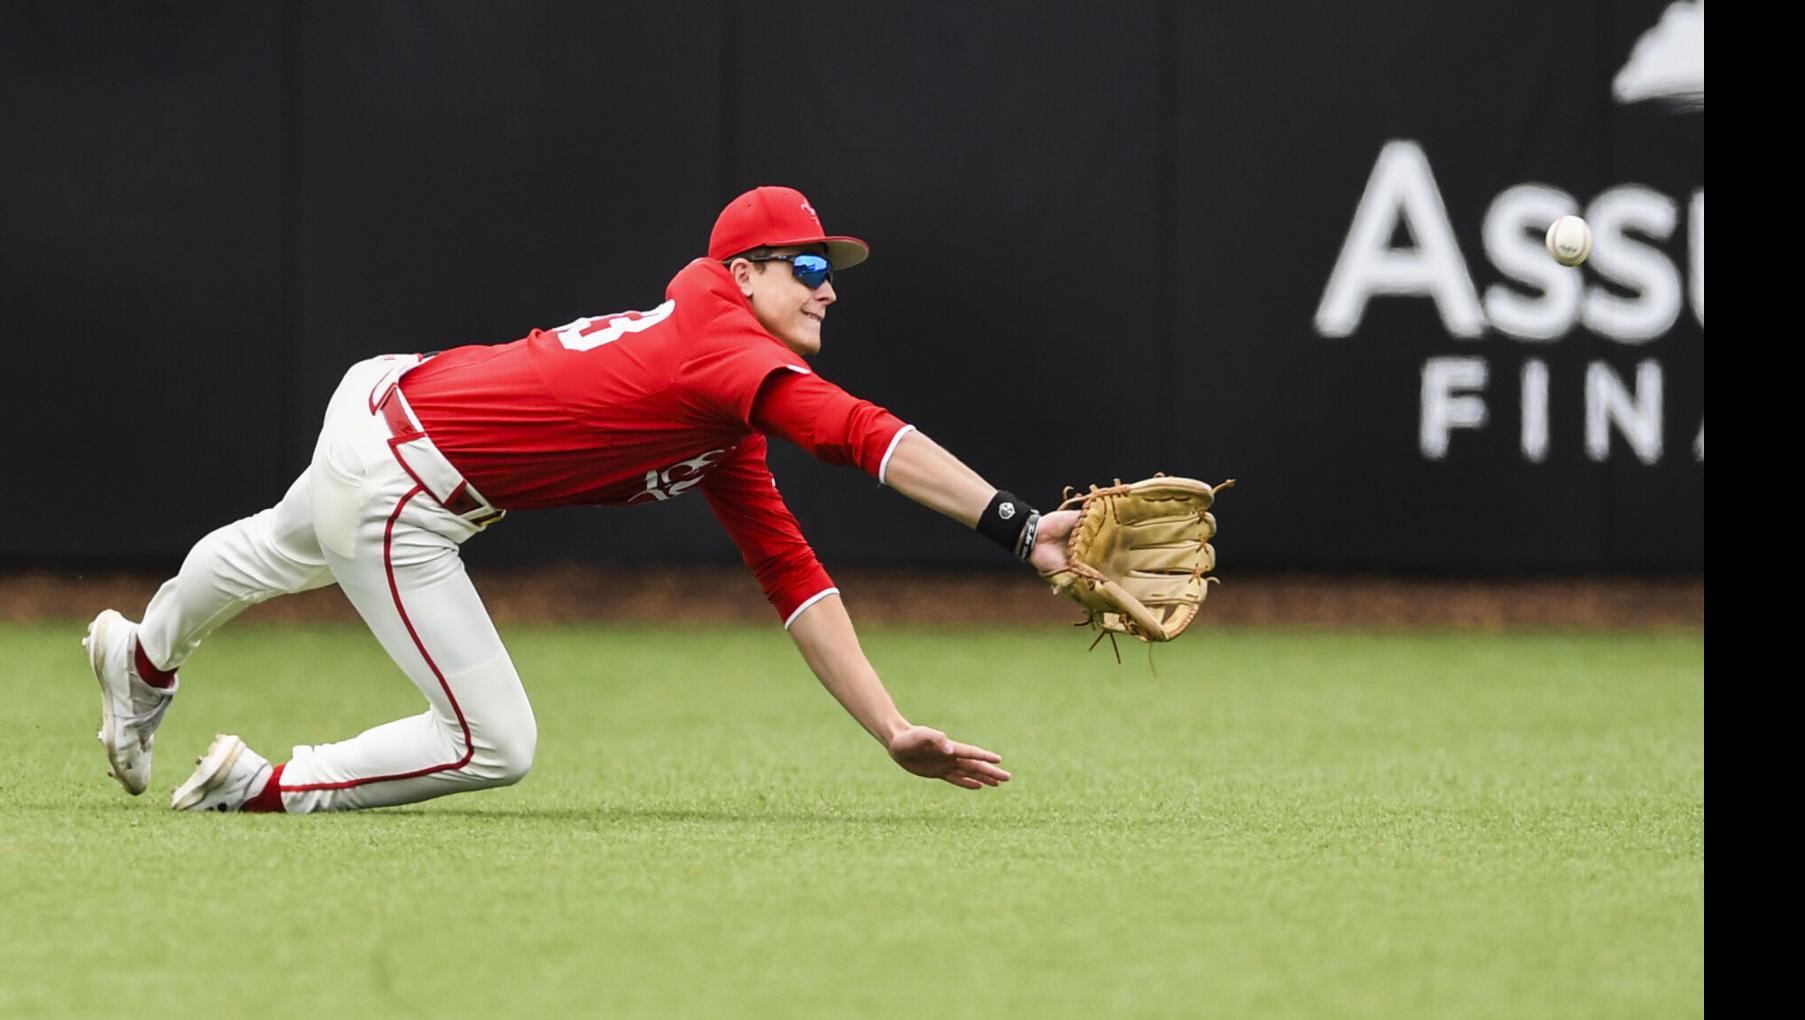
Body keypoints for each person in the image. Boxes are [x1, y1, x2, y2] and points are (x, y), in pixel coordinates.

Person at [84, 185, 1078, 814]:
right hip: (408, 487)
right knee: (493, 743)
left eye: (831, 271)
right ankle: (265, 786)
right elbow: (861, 434)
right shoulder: (720, 346)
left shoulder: (720, 393)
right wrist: (1020, 527)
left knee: (274, 548)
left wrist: (889, 726)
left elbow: (792, 575)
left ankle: (142, 657)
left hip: (392, 401)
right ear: (743, 274)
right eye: (808, 268)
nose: (828, 290)